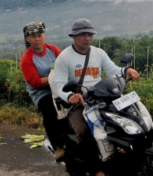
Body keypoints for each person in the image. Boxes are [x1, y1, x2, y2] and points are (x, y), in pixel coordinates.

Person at [54, 19, 140, 176]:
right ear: (73, 36)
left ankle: (124, 157)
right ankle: (96, 170)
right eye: (83, 35)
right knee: (84, 131)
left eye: (90, 34)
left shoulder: (98, 53)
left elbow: (113, 69)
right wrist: (71, 96)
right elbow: (59, 84)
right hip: (80, 104)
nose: (87, 38)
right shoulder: (64, 57)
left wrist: (127, 70)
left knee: (128, 120)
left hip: (102, 98)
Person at [19, 21, 66, 161]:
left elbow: (65, 63)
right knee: (51, 111)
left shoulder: (52, 49)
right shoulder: (27, 59)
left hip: (59, 87)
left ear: (44, 36)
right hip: (42, 93)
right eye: (33, 36)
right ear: (28, 39)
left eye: (39, 35)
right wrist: (53, 77)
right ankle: (58, 148)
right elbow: (35, 82)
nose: (37, 39)